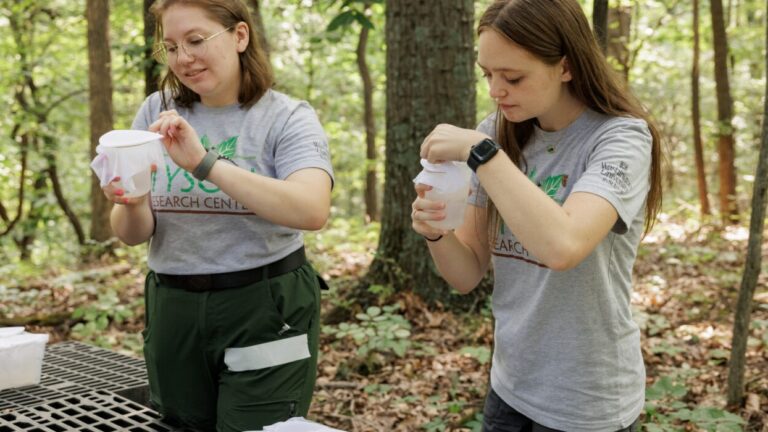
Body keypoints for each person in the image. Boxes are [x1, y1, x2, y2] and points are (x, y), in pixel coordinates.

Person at [411, 0, 662, 431]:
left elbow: (563, 247)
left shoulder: (620, 139)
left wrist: (480, 155)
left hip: (587, 401)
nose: (495, 90)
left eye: (513, 77)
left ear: (565, 66)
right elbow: (467, 272)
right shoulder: (497, 134)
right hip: (510, 387)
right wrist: (436, 232)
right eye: (487, 74)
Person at [102, 1, 333, 430]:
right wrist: (130, 200)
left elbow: (311, 208)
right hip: (174, 308)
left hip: (264, 307)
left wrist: (204, 163)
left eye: (195, 40)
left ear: (240, 36)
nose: (183, 58)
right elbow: (133, 233)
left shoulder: (286, 117)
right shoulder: (157, 110)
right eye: (170, 47)